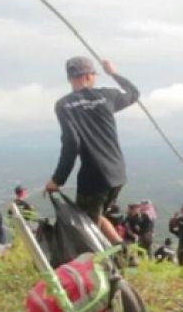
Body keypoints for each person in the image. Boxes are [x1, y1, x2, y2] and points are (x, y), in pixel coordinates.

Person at [44, 57, 140, 244]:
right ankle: (122, 251)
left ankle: (106, 266)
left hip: (93, 177)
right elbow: (134, 93)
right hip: (117, 173)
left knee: (84, 229)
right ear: (89, 75)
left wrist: (57, 179)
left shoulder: (64, 105)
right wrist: (113, 73)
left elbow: (71, 143)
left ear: (70, 78)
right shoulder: (107, 96)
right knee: (94, 215)